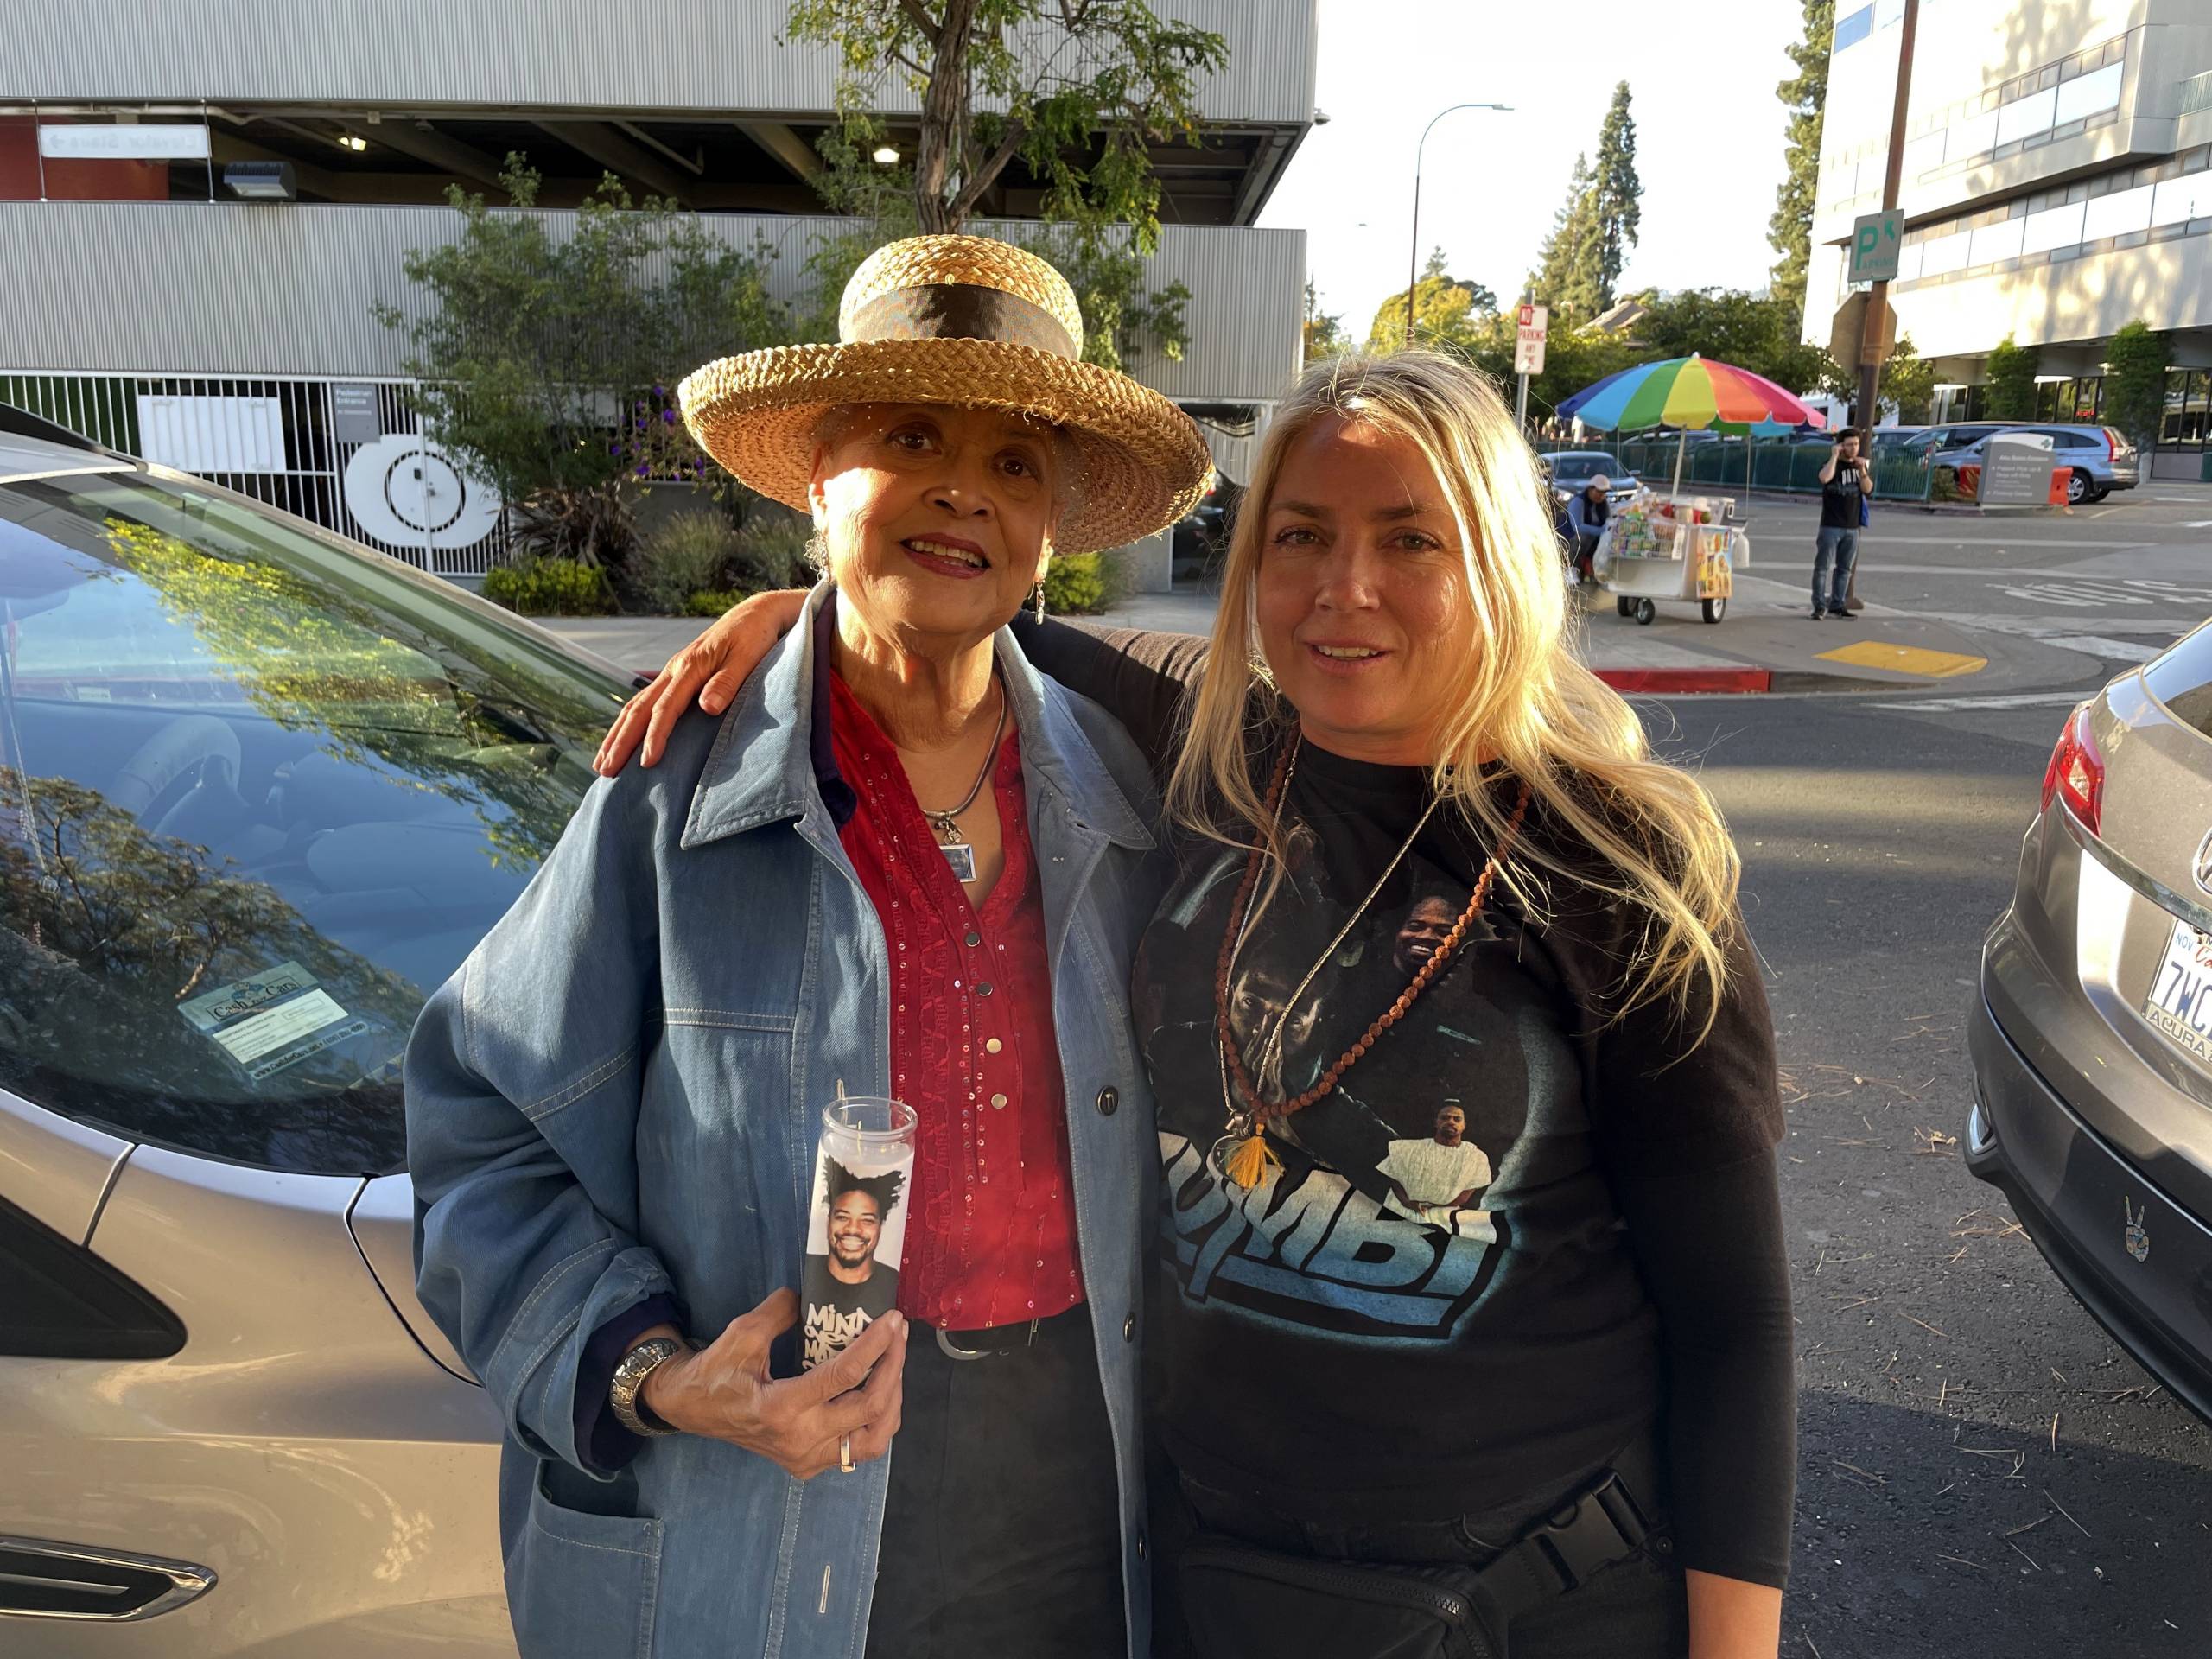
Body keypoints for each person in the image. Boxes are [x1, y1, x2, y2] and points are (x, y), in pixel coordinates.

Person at [600, 351, 1796, 1659]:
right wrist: (812, 605)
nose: (1346, 590)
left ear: (1503, 559)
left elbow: (1734, 1321)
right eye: (1302, 536)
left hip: (1529, 1597)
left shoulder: (1617, 866)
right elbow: (966, 611)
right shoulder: (1204, 756)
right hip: (1205, 1585)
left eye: (1412, 539)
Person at [405, 233, 1212, 1659]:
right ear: (821, 477)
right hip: (771, 1494)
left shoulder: (1124, 777)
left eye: (1017, 463)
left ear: (1054, 525)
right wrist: (657, 1375)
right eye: (913, 437)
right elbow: (484, 1130)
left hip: (1071, 1488)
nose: (966, 487)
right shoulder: (672, 788)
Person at [802, 1157, 906, 1367]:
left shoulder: (891, 1280)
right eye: (842, 1217)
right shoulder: (804, 1270)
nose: (853, 1229)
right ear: (828, 1220)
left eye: (867, 1220)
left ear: (880, 1227)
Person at [1812, 430, 1868, 620]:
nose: (1854, 448)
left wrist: (1863, 471)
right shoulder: (1832, 465)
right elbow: (1824, 478)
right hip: (1831, 525)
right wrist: (1834, 456)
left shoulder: (1859, 466)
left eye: (1856, 444)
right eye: (1849, 444)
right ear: (1841, 446)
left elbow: (1868, 489)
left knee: (1844, 569)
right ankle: (1819, 606)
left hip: (1852, 527)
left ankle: (1838, 604)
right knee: (1822, 567)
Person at [1565, 474, 1611, 584]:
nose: (1600, 495)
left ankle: (1600, 572)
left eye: (1603, 492)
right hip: (1572, 538)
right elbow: (1578, 527)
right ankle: (1570, 570)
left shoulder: (1603, 504)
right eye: (1598, 491)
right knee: (1582, 537)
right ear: (1590, 489)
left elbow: (1607, 521)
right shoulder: (1578, 502)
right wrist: (1601, 531)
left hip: (1594, 538)